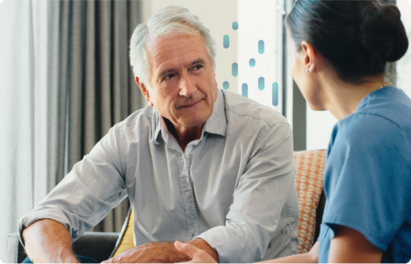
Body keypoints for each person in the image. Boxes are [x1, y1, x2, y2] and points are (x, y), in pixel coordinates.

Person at [19, 5, 300, 264]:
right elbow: (45, 217)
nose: (188, 89)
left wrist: (159, 253)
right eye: (169, 76)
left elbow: (246, 238)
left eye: (196, 67)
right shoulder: (127, 139)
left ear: (213, 69)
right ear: (146, 90)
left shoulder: (266, 131)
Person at [174, 0, 411, 263]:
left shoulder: (363, 137)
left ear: (307, 56)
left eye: (290, 55)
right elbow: (316, 257)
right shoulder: (395, 111)